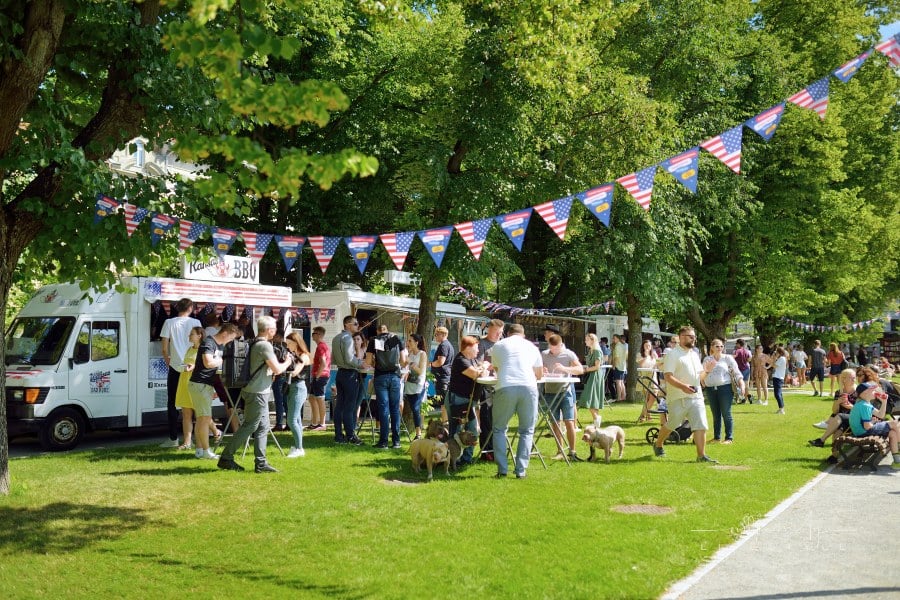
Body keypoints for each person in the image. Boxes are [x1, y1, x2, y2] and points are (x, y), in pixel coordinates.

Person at [218, 316, 292, 473]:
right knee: (250, 425)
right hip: (257, 392)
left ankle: (261, 463)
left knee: (263, 427)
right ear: (269, 330)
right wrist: (288, 362)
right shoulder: (264, 346)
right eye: (274, 328)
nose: (275, 331)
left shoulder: (253, 342)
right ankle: (226, 457)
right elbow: (278, 369)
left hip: (256, 390)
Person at [653, 326, 716, 463]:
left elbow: (700, 377)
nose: (693, 339)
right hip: (678, 397)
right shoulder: (672, 354)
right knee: (672, 424)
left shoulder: (694, 354)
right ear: (681, 337)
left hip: (696, 396)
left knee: (700, 425)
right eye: (690, 336)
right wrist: (683, 387)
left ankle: (701, 456)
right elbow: (668, 376)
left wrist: (708, 371)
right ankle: (658, 444)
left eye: (694, 337)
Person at [490, 323, 543, 479]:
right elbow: (539, 374)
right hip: (528, 387)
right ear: (523, 334)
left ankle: (502, 470)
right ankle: (521, 470)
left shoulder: (499, 345)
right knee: (527, 430)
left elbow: (497, 369)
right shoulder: (532, 347)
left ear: (507, 333)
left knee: (499, 429)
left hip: (505, 386)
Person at [188, 323, 241, 460]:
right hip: (200, 384)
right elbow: (208, 363)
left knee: (202, 419)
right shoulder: (209, 342)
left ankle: (200, 450)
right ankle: (206, 451)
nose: (230, 341)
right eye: (231, 338)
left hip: (203, 385)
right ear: (225, 334)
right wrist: (222, 360)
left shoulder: (217, 344)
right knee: (204, 419)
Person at [159, 298, 201, 447]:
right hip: (192, 366)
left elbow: (164, 347)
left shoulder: (169, 322)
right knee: (194, 402)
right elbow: (199, 346)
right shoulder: (196, 323)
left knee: (172, 402)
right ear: (190, 308)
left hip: (176, 367)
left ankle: (173, 438)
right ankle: (198, 437)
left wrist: (167, 359)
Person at [174, 326, 220, 450]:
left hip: (197, 383)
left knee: (201, 413)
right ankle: (187, 442)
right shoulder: (190, 349)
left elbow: (205, 366)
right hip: (185, 382)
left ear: (199, 335)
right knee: (186, 414)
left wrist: (193, 366)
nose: (189, 336)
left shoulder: (204, 349)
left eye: (192, 334)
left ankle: (216, 431)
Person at [542, 334, 584, 462]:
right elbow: (537, 369)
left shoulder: (568, 354)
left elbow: (580, 369)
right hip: (550, 391)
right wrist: (542, 370)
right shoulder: (544, 354)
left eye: (555, 348)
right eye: (551, 347)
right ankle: (560, 450)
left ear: (561, 345)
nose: (553, 350)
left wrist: (564, 368)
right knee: (555, 422)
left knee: (569, 421)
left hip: (565, 391)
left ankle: (572, 451)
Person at [447, 335, 486, 464]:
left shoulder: (471, 360)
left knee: (472, 429)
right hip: (459, 399)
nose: (478, 350)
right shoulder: (461, 360)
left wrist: (482, 368)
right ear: (468, 348)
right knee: (457, 429)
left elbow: (480, 369)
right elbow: (475, 374)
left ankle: (466, 458)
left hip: (468, 401)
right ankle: (452, 458)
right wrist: (483, 369)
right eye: (476, 347)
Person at [366, 326, 406, 449]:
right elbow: (403, 360)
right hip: (395, 377)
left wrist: (375, 363)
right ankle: (396, 442)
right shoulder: (397, 339)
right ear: (388, 330)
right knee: (395, 409)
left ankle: (383, 442)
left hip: (380, 377)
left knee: (383, 409)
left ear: (378, 331)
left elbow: (368, 361)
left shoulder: (373, 340)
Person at [848, 381, 900, 469]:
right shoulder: (864, 406)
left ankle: (897, 461)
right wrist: (873, 423)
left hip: (861, 431)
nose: (875, 392)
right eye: (872, 391)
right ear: (865, 393)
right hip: (863, 432)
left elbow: (881, 415)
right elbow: (867, 426)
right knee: (894, 423)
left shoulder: (865, 403)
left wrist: (884, 402)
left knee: (892, 433)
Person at [331, 315, 365, 446]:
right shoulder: (348, 339)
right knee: (350, 407)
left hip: (340, 373)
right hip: (350, 374)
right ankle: (351, 435)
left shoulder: (336, 338)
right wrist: (361, 364)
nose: (357, 326)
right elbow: (350, 359)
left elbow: (333, 358)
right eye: (355, 324)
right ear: (347, 325)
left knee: (339, 405)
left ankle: (338, 435)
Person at [702, 338, 743, 443]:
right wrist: (702, 383)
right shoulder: (707, 359)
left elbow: (737, 372)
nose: (720, 348)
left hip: (725, 388)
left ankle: (729, 438)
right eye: (717, 346)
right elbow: (703, 373)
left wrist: (742, 384)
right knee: (715, 414)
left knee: (726, 413)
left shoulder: (727, 358)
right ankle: (717, 437)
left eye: (721, 346)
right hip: (711, 389)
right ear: (712, 347)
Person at [475, 319, 504, 461]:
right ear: (489, 330)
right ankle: (487, 451)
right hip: (486, 385)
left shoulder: (502, 344)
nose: (498, 335)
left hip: (500, 384)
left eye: (500, 332)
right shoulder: (482, 343)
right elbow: (479, 362)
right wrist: (489, 365)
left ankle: (497, 449)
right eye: (496, 332)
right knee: (486, 417)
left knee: (499, 418)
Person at [809, 368, 858, 448]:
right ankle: (834, 457)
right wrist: (838, 402)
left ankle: (822, 438)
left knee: (837, 426)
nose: (854, 379)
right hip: (841, 420)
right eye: (851, 377)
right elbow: (835, 411)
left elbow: (861, 409)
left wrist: (851, 407)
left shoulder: (858, 392)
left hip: (853, 418)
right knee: (836, 436)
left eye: (854, 377)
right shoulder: (839, 392)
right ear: (844, 379)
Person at [284, 332, 311, 458]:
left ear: (296, 343)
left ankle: (299, 449)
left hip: (299, 388)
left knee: (291, 420)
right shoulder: (294, 355)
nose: (287, 346)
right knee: (297, 419)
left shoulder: (304, 356)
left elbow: (295, 372)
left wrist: (287, 362)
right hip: (292, 388)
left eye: (289, 343)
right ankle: (297, 446)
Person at [403, 333, 428, 440]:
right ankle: (416, 431)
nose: (408, 343)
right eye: (408, 341)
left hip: (418, 385)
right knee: (413, 408)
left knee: (415, 408)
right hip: (409, 384)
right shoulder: (409, 354)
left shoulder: (422, 354)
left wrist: (411, 362)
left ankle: (418, 434)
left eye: (410, 341)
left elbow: (420, 371)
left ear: (416, 342)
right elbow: (404, 367)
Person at [430, 326, 454, 425]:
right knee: (445, 402)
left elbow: (440, 362)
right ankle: (445, 422)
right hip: (446, 376)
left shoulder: (443, 345)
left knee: (444, 403)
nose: (435, 336)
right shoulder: (449, 345)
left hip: (442, 377)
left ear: (443, 335)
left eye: (437, 334)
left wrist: (430, 364)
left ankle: (445, 423)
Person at [307, 326, 330, 432]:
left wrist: (317, 376)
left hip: (321, 376)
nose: (312, 336)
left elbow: (323, 363)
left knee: (320, 399)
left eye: (314, 334)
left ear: (319, 335)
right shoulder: (321, 346)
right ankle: (314, 422)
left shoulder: (321, 346)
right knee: (312, 398)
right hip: (318, 375)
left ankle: (322, 423)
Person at [581, 333, 604, 427]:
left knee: (589, 399)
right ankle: (596, 422)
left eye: (587, 339)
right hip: (591, 375)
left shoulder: (597, 351)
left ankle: (596, 418)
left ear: (592, 340)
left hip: (595, 376)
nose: (585, 341)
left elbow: (597, 367)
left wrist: (585, 370)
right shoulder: (591, 350)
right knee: (593, 400)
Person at [636, 338, 658, 422]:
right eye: (646, 345)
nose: (648, 347)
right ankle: (648, 416)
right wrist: (646, 356)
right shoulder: (640, 354)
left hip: (653, 376)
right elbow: (640, 364)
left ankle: (642, 415)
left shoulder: (654, 354)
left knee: (654, 396)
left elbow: (657, 364)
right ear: (643, 346)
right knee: (647, 398)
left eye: (649, 345)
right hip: (644, 377)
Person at [271, 332, 289, 432]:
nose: (273, 338)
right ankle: (288, 423)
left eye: (275, 336)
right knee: (285, 401)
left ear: (280, 337)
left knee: (279, 401)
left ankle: (279, 423)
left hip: (278, 377)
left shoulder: (276, 348)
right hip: (285, 376)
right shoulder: (286, 348)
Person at [610, 333, 627, 402]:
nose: (612, 339)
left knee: (618, 382)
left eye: (613, 338)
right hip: (623, 366)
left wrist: (614, 365)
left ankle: (619, 397)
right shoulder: (623, 345)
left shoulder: (617, 346)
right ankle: (623, 396)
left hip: (618, 366)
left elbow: (616, 357)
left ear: (617, 338)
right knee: (622, 382)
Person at [771, 346, 789, 414]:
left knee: (777, 394)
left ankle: (781, 409)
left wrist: (774, 358)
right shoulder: (783, 358)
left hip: (778, 377)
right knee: (779, 394)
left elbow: (774, 366)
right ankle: (781, 408)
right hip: (779, 377)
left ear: (779, 352)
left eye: (776, 352)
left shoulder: (781, 358)